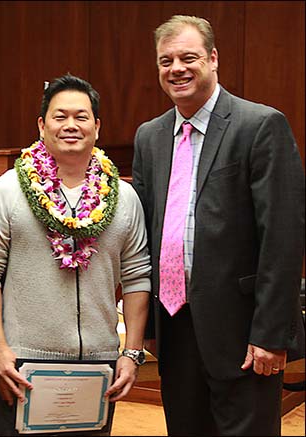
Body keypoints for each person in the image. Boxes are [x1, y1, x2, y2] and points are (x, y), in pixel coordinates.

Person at [132, 15, 305, 436]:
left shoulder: (260, 125)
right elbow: (147, 239)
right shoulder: (149, 137)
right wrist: (152, 328)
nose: (177, 69)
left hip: (243, 332)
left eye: (188, 57)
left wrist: (270, 334)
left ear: (213, 59)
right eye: (165, 60)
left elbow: (282, 238)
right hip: (176, 326)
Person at [0, 74, 151, 436]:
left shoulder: (124, 197)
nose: (71, 125)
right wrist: (0, 350)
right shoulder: (7, 190)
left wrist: (131, 353)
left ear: (97, 126)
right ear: (42, 125)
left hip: (100, 365)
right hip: (24, 363)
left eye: (81, 116)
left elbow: (137, 277)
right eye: (60, 117)